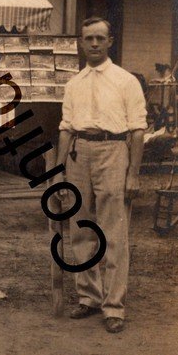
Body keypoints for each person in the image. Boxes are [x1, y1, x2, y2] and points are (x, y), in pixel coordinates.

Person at [54, 17, 147, 333]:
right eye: (88, 39)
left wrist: (132, 174)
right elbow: (66, 130)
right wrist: (60, 172)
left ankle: (113, 306)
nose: (93, 44)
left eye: (99, 38)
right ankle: (88, 297)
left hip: (113, 151)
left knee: (113, 232)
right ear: (81, 43)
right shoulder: (74, 83)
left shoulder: (126, 81)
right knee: (81, 229)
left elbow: (137, 130)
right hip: (80, 153)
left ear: (110, 42)